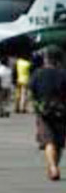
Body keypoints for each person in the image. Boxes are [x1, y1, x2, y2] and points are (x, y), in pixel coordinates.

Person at [29, 46, 66, 181]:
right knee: (59, 142)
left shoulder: (37, 73)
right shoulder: (63, 74)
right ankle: (55, 166)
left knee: (49, 141)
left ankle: (52, 167)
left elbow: (32, 90)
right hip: (61, 111)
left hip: (44, 110)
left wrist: (37, 103)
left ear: (46, 59)